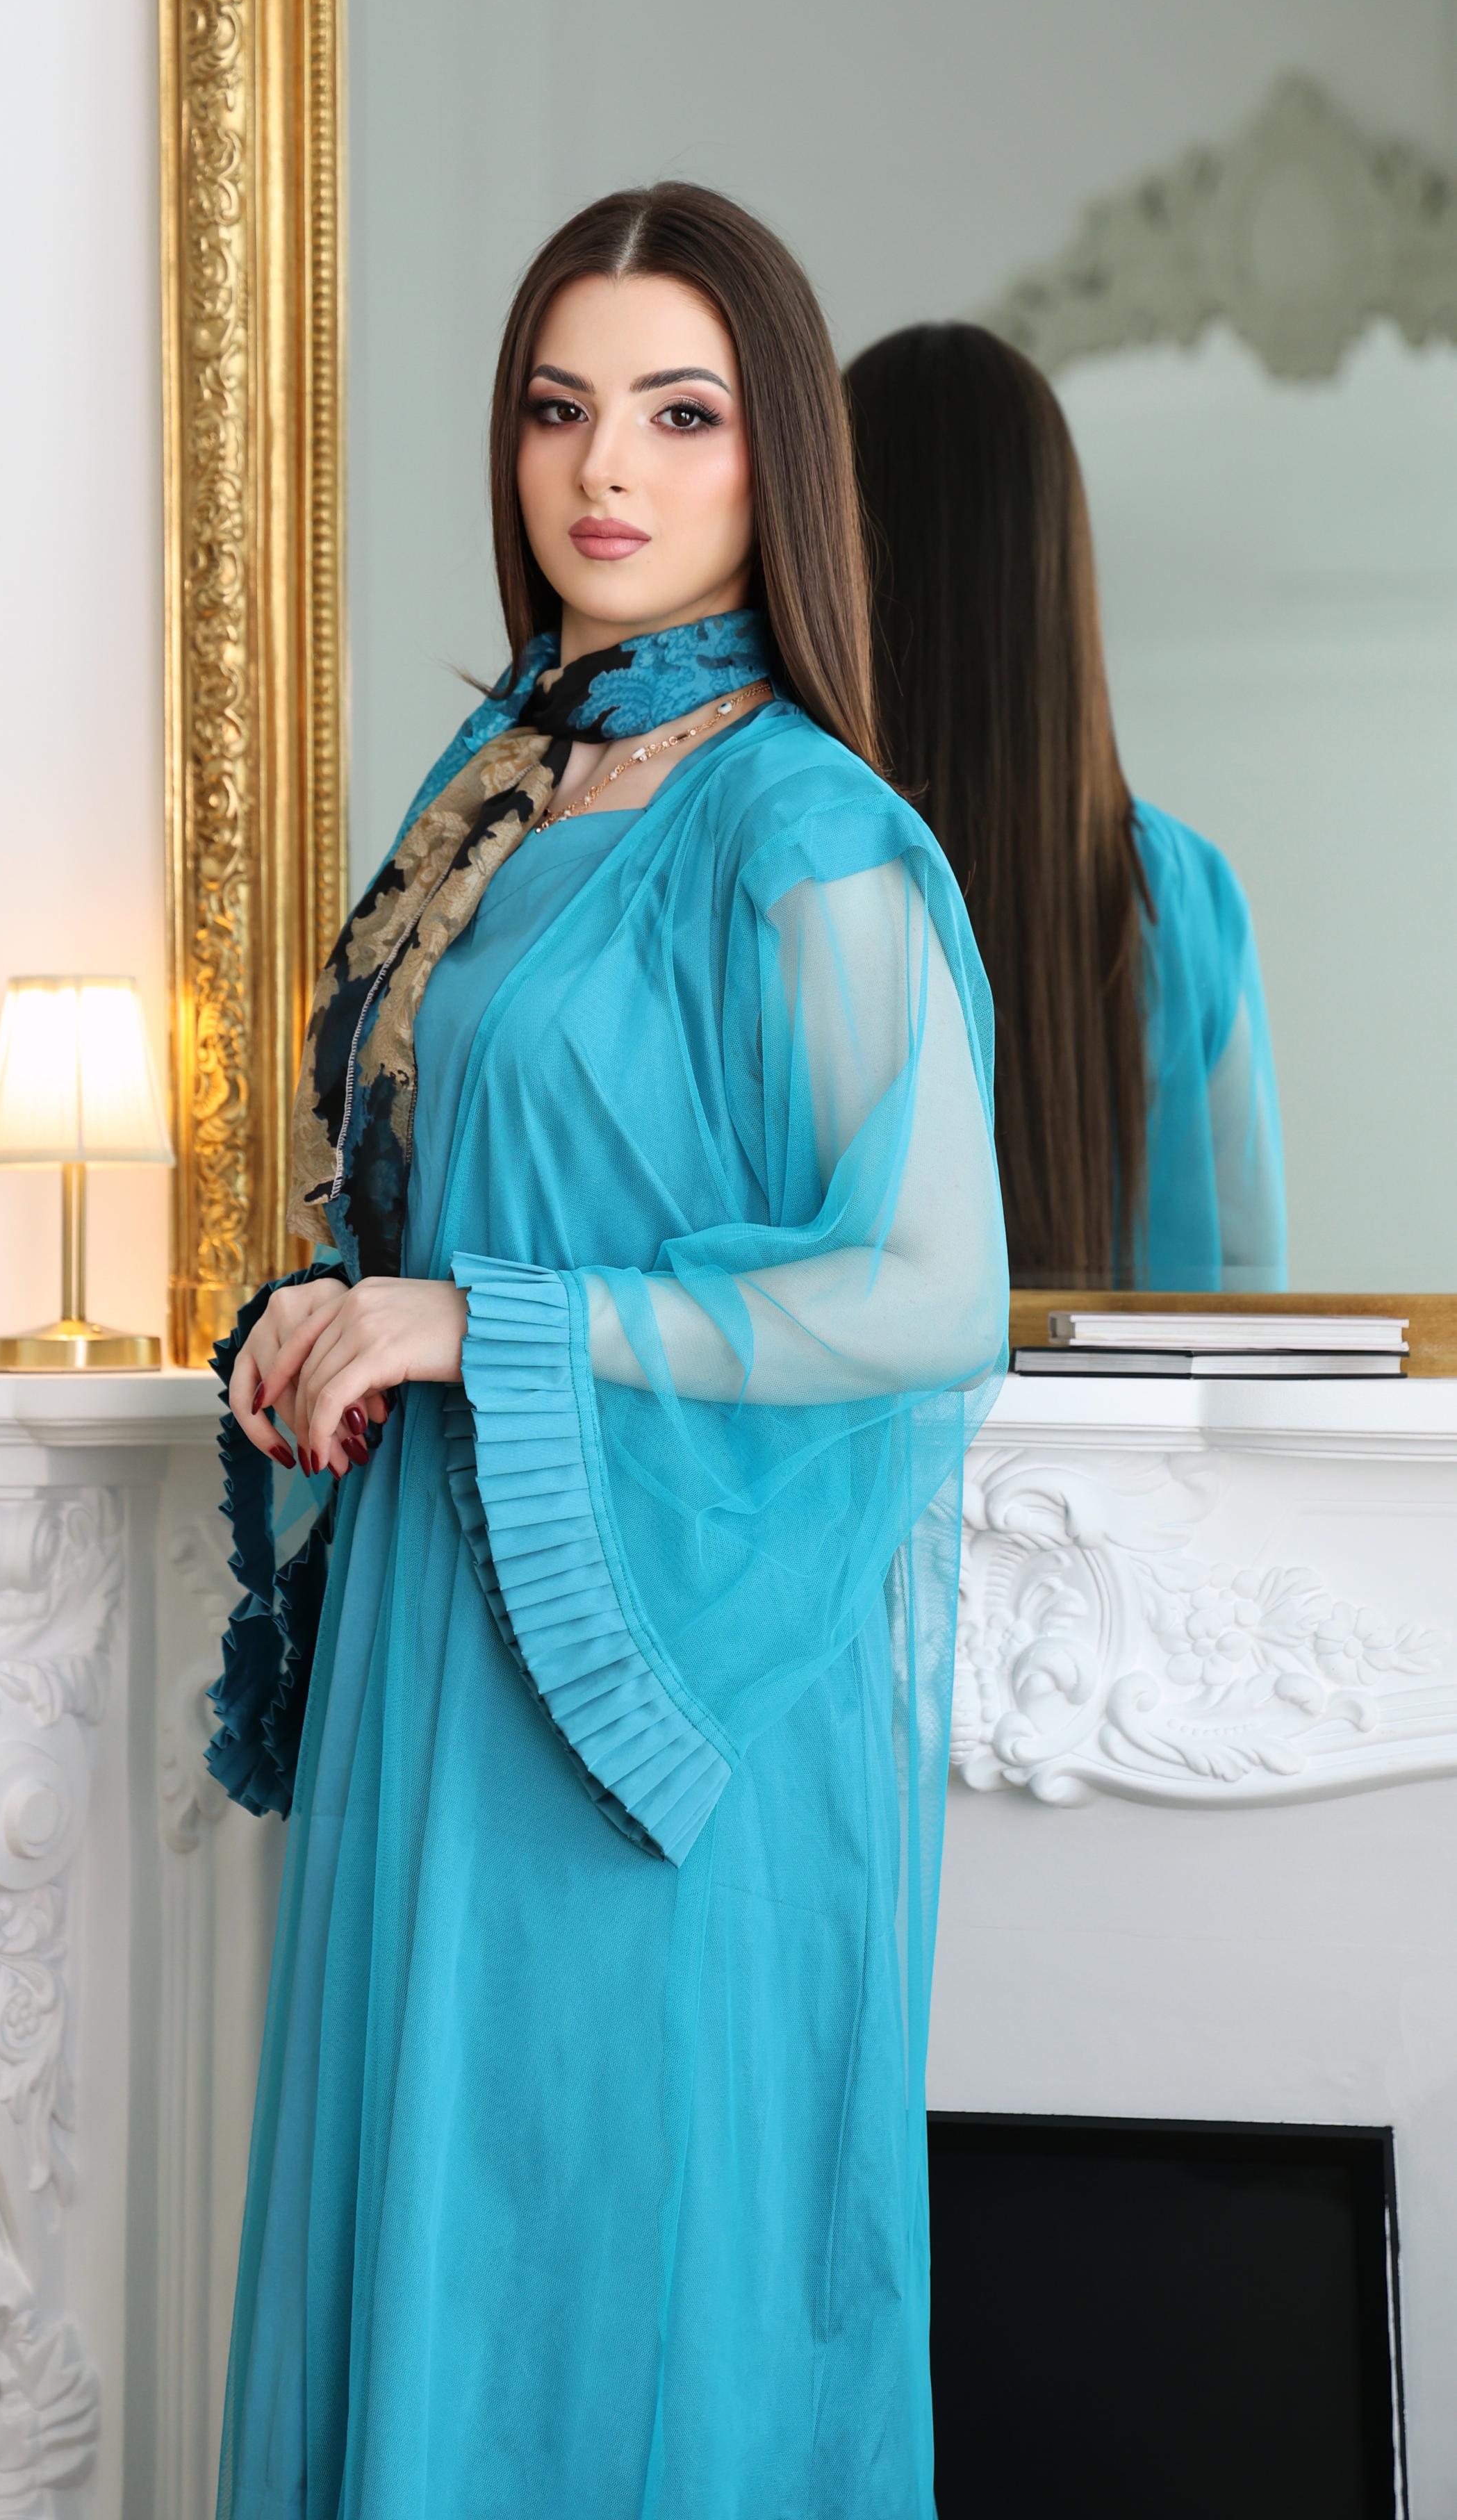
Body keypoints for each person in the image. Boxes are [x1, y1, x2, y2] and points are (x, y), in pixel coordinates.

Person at [206, 183, 1007, 2520]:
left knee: (610, 2276)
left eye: (679, 412)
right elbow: (442, 1185)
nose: (603, 471)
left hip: (650, 1675)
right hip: (439, 1657)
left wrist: (481, 1317)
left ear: (778, 465)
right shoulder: (506, 794)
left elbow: (922, 1289)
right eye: (559, 410)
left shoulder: (803, 826)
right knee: (431, 2260)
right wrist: (341, 1315)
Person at [846, 321, 1285, 1293]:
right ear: (1055, 564)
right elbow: (1251, 1273)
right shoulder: (1182, 890)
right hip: (1141, 1447)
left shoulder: (787, 869)